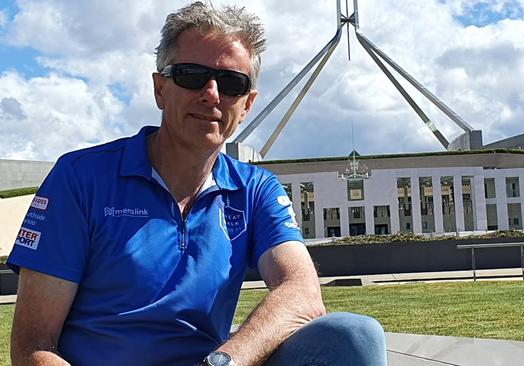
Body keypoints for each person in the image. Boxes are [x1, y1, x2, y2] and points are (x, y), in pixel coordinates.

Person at [7, 2, 387, 366]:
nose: (211, 94)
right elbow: (32, 346)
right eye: (191, 76)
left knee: (354, 335)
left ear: (248, 104)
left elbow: (301, 292)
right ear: (160, 89)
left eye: (231, 82)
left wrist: (222, 362)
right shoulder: (81, 178)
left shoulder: (255, 191)